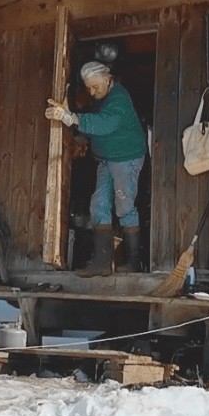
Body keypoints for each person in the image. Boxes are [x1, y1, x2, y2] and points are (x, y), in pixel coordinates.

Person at [45, 61, 147, 276]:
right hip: (106, 160)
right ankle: (101, 264)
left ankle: (133, 264)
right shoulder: (101, 99)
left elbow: (104, 124)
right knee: (98, 205)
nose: (92, 92)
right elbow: (94, 124)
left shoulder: (119, 98)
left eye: (95, 87)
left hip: (126, 159)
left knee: (125, 207)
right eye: (89, 87)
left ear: (107, 79)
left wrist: (70, 117)